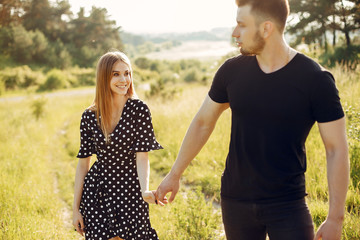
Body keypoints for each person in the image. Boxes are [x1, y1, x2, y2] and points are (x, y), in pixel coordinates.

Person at [155, 0, 349, 239]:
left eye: (241, 25)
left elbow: (336, 149)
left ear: (266, 29)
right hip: (236, 202)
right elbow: (203, 122)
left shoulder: (315, 79)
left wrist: (335, 219)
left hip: (288, 205)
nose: (234, 33)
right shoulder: (231, 71)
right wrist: (174, 174)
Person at [72, 51, 165, 240]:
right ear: (103, 77)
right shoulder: (89, 116)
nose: (124, 79)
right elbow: (83, 165)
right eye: (116, 74)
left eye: (127, 73)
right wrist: (75, 210)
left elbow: (142, 156)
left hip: (130, 189)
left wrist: (144, 189)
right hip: (98, 189)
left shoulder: (139, 110)